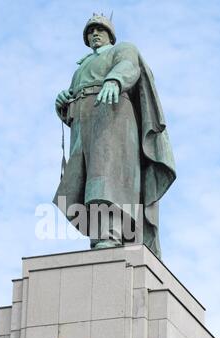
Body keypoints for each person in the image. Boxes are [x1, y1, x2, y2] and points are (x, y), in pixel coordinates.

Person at [53, 14, 176, 258]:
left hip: (113, 116)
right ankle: (99, 235)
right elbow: (73, 97)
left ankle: (110, 234)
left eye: (99, 29)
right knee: (82, 180)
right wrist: (63, 104)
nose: (94, 34)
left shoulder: (123, 49)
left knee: (106, 178)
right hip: (83, 126)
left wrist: (115, 80)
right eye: (90, 32)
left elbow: (129, 66)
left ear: (110, 34)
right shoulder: (81, 68)